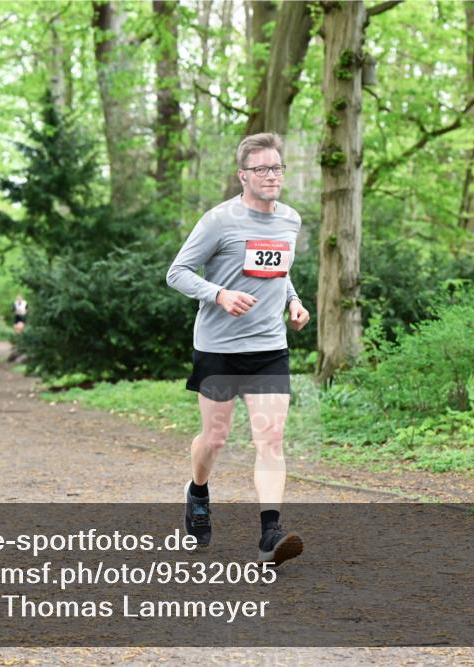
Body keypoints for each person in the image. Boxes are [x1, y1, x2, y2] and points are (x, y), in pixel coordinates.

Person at [166, 132, 311, 565]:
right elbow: (177, 272)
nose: (272, 175)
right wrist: (219, 295)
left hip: (269, 346)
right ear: (243, 175)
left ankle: (271, 534)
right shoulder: (219, 220)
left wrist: (294, 301)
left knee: (271, 439)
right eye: (263, 169)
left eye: (278, 167)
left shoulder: (290, 220)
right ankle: (198, 492)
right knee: (214, 438)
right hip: (219, 348)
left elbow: (280, 270)